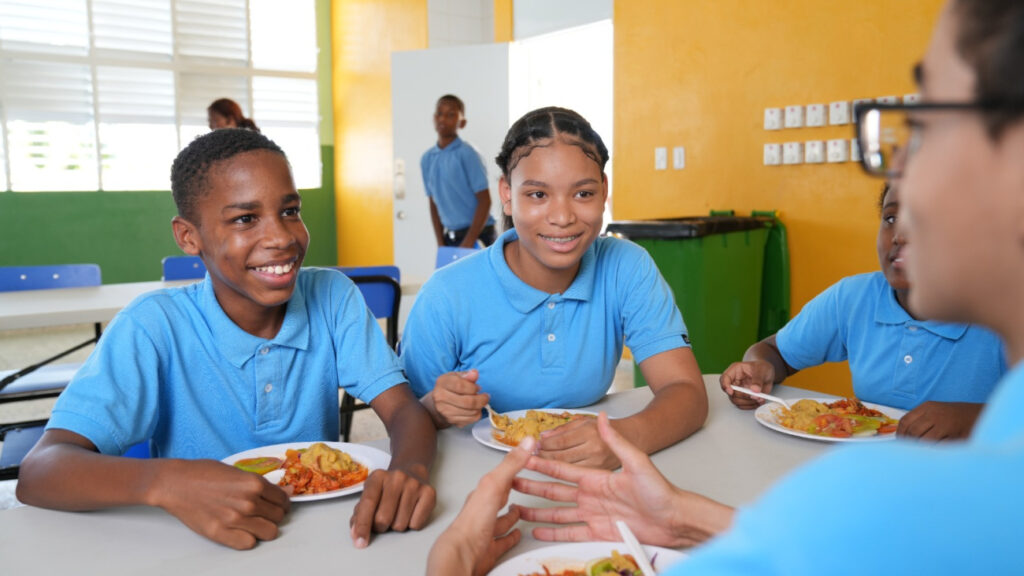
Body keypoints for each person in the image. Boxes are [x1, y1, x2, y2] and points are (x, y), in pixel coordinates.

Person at [427, 0, 1024, 572]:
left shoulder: (875, 496)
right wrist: (685, 519)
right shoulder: (953, 466)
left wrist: (449, 565)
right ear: (508, 195)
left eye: (929, 124)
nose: (900, 173)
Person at [16, 128, 436, 551]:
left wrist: (409, 472)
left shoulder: (332, 297)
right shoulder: (153, 326)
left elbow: (404, 409)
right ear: (189, 237)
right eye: (245, 219)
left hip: (322, 539)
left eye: (290, 211)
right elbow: (40, 471)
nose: (282, 237)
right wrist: (165, 482)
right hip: (198, 548)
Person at [401, 107, 708, 470]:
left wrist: (622, 440)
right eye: (537, 194)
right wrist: (435, 407)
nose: (562, 218)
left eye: (583, 193)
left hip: (585, 478)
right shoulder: (447, 294)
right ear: (507, 194)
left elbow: (686, 392)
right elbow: (405, 420)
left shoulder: (627, 267)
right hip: (475, 478)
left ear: (604, 191)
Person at [720, 180, 1005, 440]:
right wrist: (757, 371)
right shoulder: (854, 298)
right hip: (875, 468)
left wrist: (972, 419)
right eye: (891, 218)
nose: (899, 236)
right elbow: (775, 352)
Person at [421, 94, 497, 248]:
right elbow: (433, 204)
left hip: (479, 235)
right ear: (434, 118)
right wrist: (440, 243)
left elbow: (485, 201)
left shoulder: (468, 154)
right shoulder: (427, 159)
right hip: (451, 238)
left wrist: (469, 241)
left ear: (462, 123)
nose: (443, 119)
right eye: (440, 113)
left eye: (450, 115)